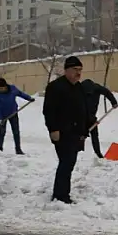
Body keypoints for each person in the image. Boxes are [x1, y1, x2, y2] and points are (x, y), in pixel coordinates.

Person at [43, 57, 88, 204]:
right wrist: (53, 129)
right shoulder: (55, 87)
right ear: (66, 70)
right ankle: (60, 195)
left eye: (80, 70)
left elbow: (82, 109)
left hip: (76, 132)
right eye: (75, 70)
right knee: (66, 162)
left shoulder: (78, 87)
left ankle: (62, 193)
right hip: (62, 132)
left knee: (69, 162)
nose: (78, 73)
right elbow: (49, 111)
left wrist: (87, 125)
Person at [0, 77, 35, 154]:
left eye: (1, 88)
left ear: (5, 86)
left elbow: (20, 94)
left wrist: (29, 98)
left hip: (13, 113)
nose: (0, 90)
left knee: (16, 132)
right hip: (2, 116)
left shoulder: (13, 89)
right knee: (2, 132)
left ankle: (18, 149)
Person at [80, 78, 118, 158]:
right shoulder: (78, 89)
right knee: (81, 135)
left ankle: (97, 153)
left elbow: (107, 93)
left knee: (93, 135)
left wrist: (114, 102)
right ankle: (80, 152)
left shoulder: (96, 88)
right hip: (80, 116)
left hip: (91, 117)